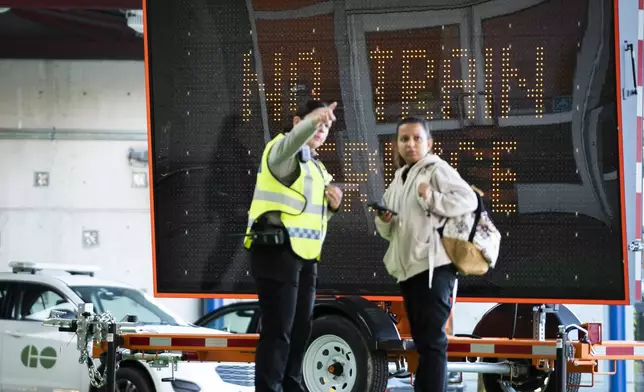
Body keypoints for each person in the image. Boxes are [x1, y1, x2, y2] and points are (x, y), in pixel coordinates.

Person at [243, 100, 343, 392]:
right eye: (315, 123)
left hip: (305, 256)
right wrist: (311, 121)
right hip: (275, 251)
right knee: (279, 332)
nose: (321, 130)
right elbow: (292, 141)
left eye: (325, 126)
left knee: (300, 331)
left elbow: (308, 216)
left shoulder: (315, 166)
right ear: (297, 121)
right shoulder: (281, 152)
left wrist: (332, 207)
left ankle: (291, 386)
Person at [374, 116, 477, 392]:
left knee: (432, 344)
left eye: (417, 138)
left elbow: (469, 200)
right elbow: (389, 232)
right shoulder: (399, 179)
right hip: (410, 271)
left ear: (429, 143)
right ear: (396, 145)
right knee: (424, 343)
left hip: (435, 270)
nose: (410, 144)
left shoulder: (436, 169)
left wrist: (432, 197)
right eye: (404, 139)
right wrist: (385, 220)